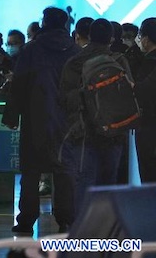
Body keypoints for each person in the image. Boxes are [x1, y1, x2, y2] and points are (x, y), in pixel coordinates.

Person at [4, 7, 80, 234]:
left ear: (44, 23)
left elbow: (19, 85)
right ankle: (66, 219)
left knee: (30, 171)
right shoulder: (75, 50)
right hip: (66, 120)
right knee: (64, 170)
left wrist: (11, 115)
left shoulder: (31, 50)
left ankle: (26, 219)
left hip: (35, 118)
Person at [59, 18, 130, 213]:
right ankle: (107, 227)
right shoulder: (119, 61)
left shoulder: (75, 62)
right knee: (109, 181)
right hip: (113, 131)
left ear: (89, 36)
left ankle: (84, 228)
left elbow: (65, 98)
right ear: (112, 38)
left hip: (83, 131)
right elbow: (130, 95)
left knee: (85, 180)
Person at [134, 18, 156, 182]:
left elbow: (143, 91)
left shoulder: (148, 62)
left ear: (147, 39)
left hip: (149, 126)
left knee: (149, 176)